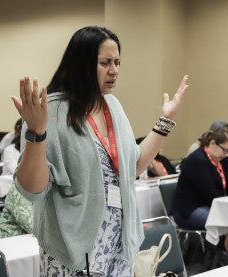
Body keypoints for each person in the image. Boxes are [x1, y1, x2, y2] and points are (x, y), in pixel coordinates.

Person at [11, 26, 189, 276]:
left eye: (117, 62)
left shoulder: (112, 105)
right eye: (105, 63)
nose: (114, 70)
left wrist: (165, 121)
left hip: (117, 244)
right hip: (74, 250)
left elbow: (133, 167)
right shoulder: (50, 111)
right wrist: (37, 133)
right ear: (81, 64)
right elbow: (32, 189)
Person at [174, 129, 228, 261]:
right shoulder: (197, 160)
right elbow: (209, 194)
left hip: (212, 205)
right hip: (189, 210)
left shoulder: (222, 159)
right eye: (225, 150)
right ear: (212, 143)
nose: (227, 154)